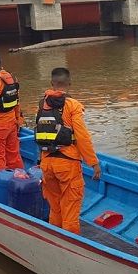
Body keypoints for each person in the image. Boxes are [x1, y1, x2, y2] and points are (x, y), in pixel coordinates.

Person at [37, 67, 100, 234]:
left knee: (56, 209)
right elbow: (82, 137)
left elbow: (40, 133)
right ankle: (70, 246)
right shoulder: (72, 105)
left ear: (52, 83)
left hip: (47, 164)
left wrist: (40, 161)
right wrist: (94, 163)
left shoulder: (42, 104)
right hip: (67, 164)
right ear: (69, 84)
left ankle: (55, 240)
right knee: (70, 209)